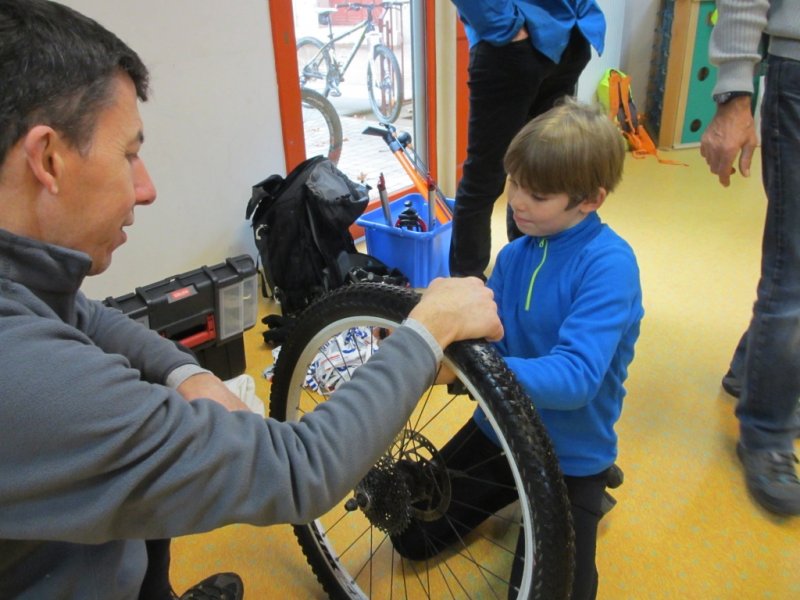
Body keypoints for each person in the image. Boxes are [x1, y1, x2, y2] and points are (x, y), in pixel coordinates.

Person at [0, 1, 504, 598]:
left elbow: (86, 315)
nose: (147, 187)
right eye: (128, 153)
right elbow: (299, 469)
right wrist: (428, 330)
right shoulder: (24, 372)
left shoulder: (24, 285)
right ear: (48, 158)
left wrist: (186, 372)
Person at [393, 98, 643, 599]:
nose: (518, 203)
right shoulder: (514, 255)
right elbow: (487, 331)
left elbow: (575, 379)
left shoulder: (609, 266)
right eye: (514, 184)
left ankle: (590, 490)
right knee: (411, 536)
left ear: (589, 200)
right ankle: (507, 491)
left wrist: (471, 376)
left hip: (571, 452)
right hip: (500, 428)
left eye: (539, 195)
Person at [699, 0, 800, 517]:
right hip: (797, 66)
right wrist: (735, 91)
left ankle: (753, 368)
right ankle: (766, 433)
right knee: (794, 268)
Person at [448, 0, 606, 279]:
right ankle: (466, 288)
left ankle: (527, 275)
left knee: (540, 171)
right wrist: (503, 26)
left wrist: (580, 18)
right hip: (509, 45)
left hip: (569, 35)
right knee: (485, 177)